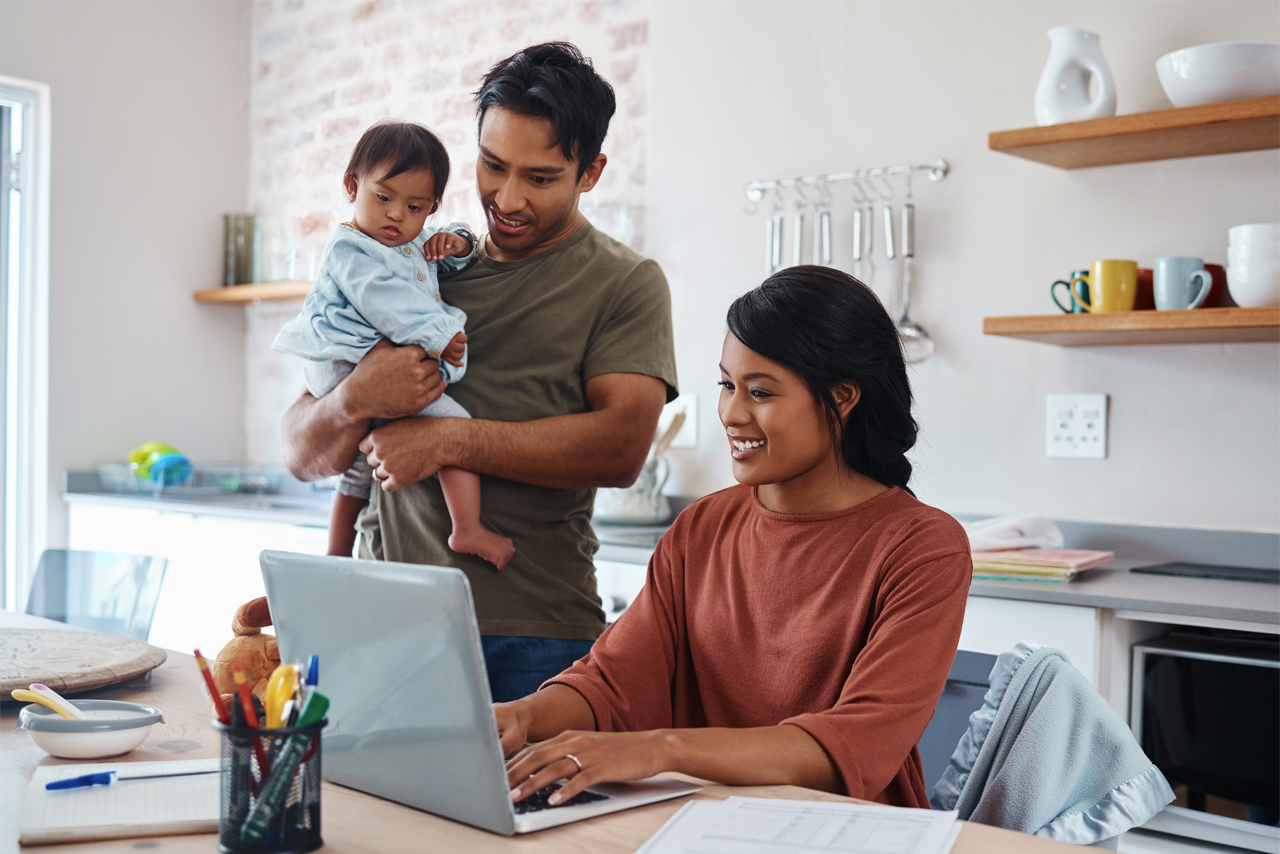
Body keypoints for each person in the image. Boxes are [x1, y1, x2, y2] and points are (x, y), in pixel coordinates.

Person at [280, 43, 677, 702]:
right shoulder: (412, 266)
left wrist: (449, 440)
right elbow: (300, 450)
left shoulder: (625, 283)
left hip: (536, 637)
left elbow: (622, 448)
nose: (509, 198)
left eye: (541, 177)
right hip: (383, 621)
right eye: (493, 166)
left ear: (591, 171)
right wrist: (354, 398)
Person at [495, 266, 972, 809]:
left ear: (842, 397)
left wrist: (663, 750)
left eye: (761, 392)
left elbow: (858, 745)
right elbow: (614, 681)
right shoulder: (701, 528)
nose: (732, 413)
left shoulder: (923, 547)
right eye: (727, 384)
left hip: (850, 833)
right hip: (699, 823)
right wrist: (520, 715)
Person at [273, 121, 514, 569]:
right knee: (454, 423)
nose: (396, 215)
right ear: (352, 185)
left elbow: (447, 258)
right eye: (383, 198)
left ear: (431, 208)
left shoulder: (410, 241)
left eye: (415, 206)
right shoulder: (351, 248)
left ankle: (335, 555)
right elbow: (387, 302)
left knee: (359, 467)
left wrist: (456, 241)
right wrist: (440, 338)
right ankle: (469, 528)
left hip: (354, 361)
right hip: (343, 361)